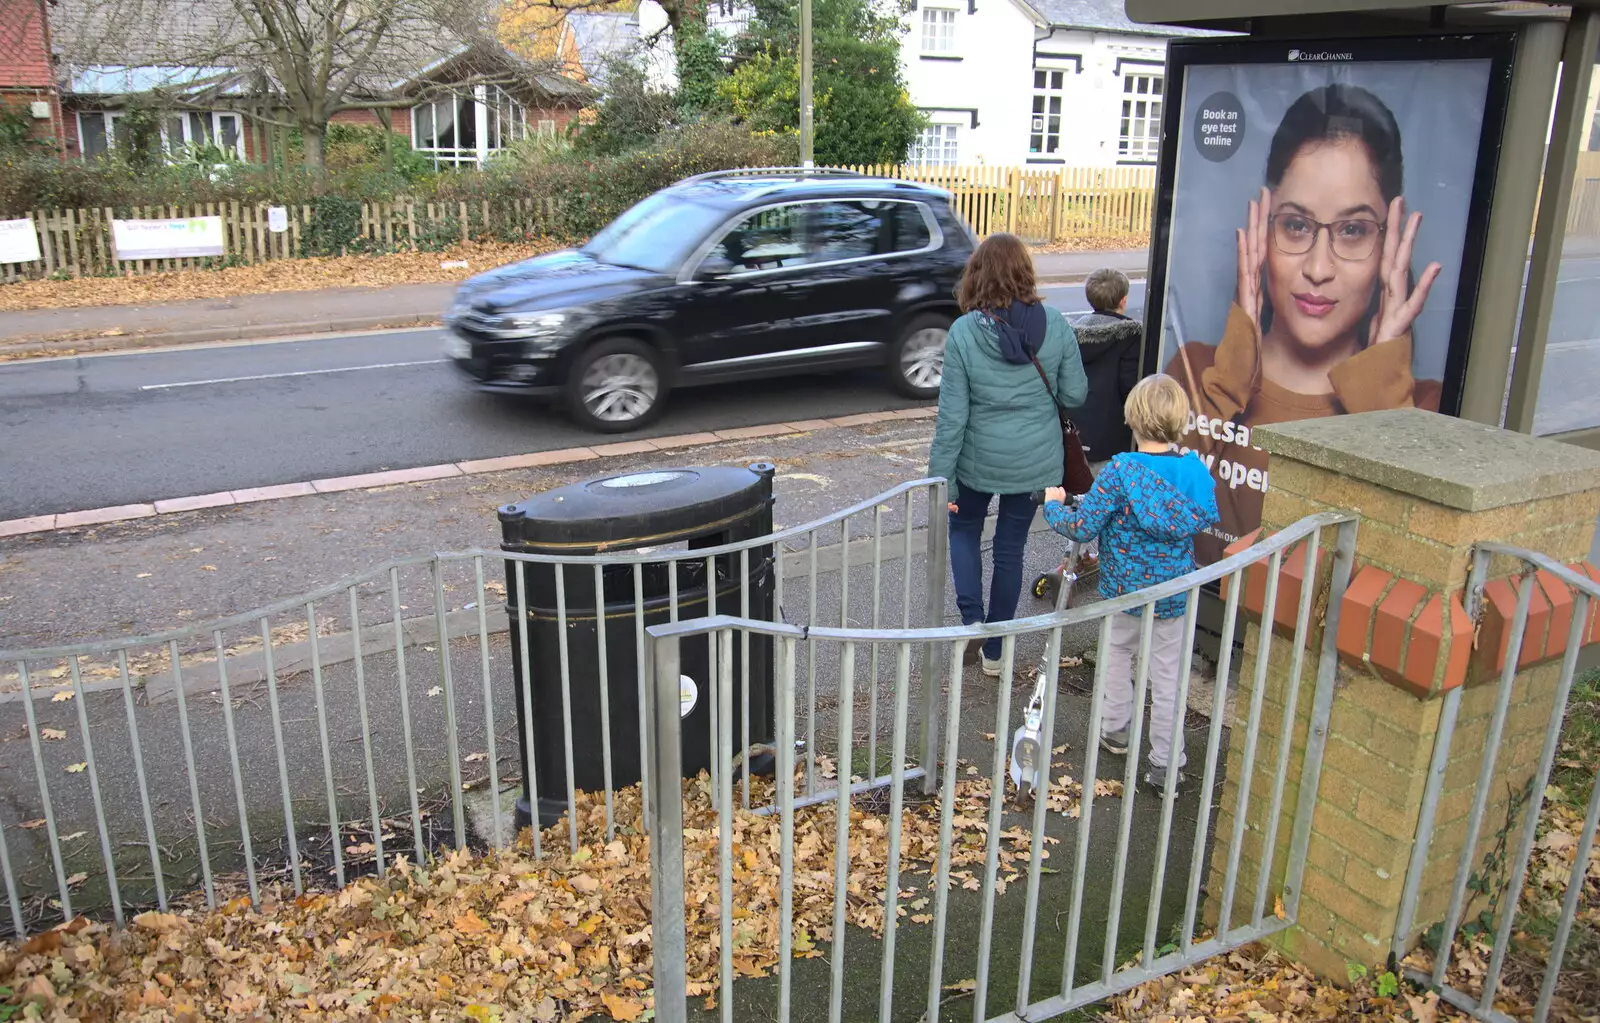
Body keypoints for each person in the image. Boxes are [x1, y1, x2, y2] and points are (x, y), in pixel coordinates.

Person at [1165, 83, 1443, 565]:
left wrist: (1379, 394)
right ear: (1264, 230)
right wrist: (1229, 380)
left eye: (1353, 230)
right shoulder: (1196, 372)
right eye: (1296, 224)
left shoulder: (1422, 408)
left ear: (1390, 245)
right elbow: (1151, 513)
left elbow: (1404, 563)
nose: (1318, 268)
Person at [1041, 375, 1218, 789]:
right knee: (1169, 677)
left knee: (1118, 655)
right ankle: (1165, 764)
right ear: (1180, 422)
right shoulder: (1194, 473)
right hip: (1173, 594)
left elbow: (1083, 527)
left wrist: (1053, 507)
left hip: (1124, 592)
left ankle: (1117, 729)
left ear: (1132, 419)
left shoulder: (1121, 473)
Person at [929, 233, 1088, 677]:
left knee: (963, 533)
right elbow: (1075, 392)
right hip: (1035, 464)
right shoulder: (1055, 324)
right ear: (1025, 272)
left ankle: (971, 622)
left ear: (976, 275)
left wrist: (943, 479)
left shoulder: (963, 333)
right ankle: (996, 651)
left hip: (976, 463)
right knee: (1010, 550)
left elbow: (952, 418)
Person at [1073, 268, 1143, 463]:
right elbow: (1130, 389)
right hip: (1112, 438)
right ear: (1123, 300)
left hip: (1073, 434)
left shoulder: (1070, 334)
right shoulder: (1132, 338)